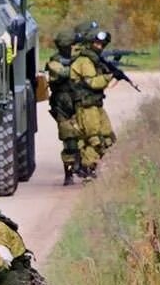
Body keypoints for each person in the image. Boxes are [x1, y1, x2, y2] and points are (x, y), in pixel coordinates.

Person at [71, 28, 119, 179]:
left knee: (108, 137)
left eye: (101, 45)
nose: (100, 47)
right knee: (94, 139)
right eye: (97, 44)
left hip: (95, 105)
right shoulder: (84, 61)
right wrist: (109, 76)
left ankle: (92, 167)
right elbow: (92, 82)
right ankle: (87, 169)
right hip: (86, 107)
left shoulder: (94, 60)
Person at [45, 31, 85, 185]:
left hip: (79, 102)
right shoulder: (55, 62)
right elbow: (63, 73)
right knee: (69, 141)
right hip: (62, 106)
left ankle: (83, 167)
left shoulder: (79, 58)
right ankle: (69, 174)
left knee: (85, 136)